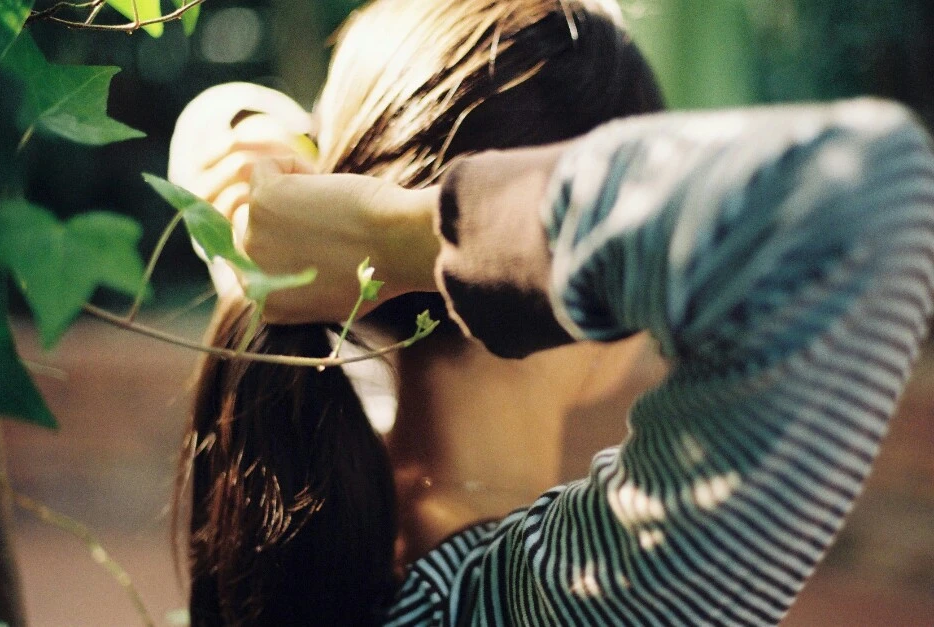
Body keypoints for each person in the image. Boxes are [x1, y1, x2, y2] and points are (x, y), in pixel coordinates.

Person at [229, 98, 934, 626]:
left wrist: (234, 147)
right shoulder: (551, 604)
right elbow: (862, 197)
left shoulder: (306, 504)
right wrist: (404, 230)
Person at [170, 1, 668, 624]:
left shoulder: (321, 520)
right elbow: (783, 225)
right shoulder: (590, 591)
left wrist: (365, 234)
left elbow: (203, 130)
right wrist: (403, 232)